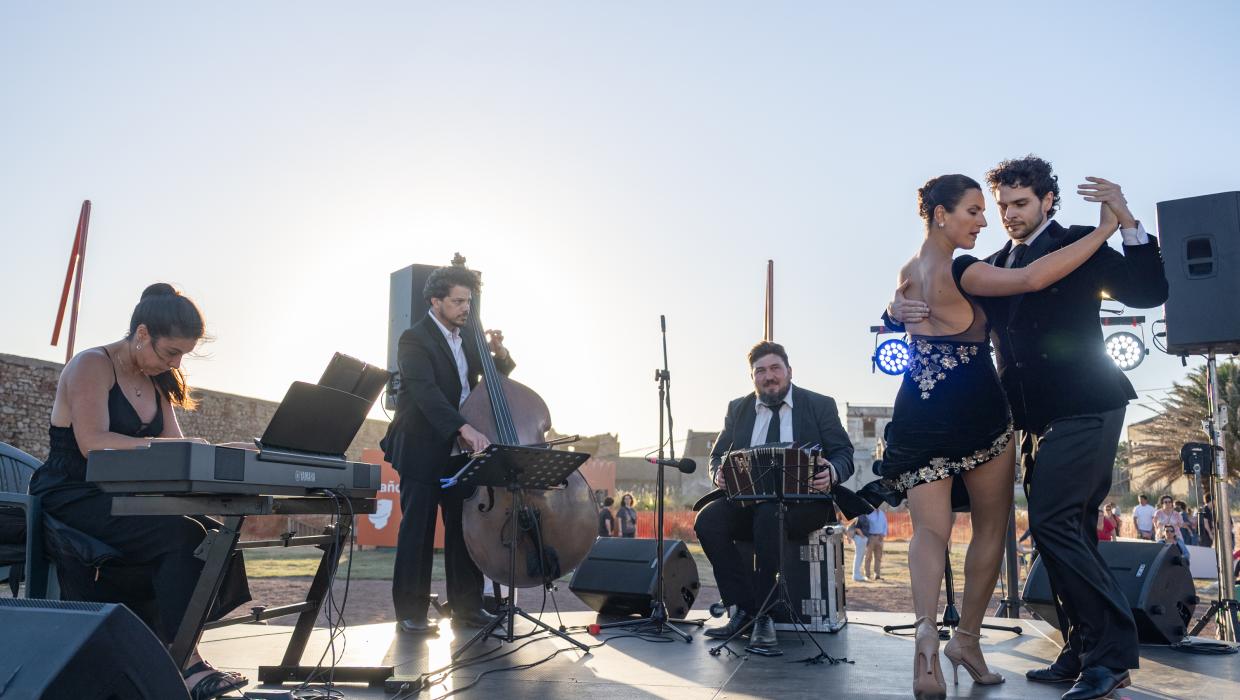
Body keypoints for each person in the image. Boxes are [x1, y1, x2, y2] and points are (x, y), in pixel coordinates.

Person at [888, 156, 1168, 700]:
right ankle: (1081, 647)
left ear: (1047, 202)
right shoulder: (988, 261)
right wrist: (898, 306)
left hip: (1087, 403)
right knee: (1067, 529)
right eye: (1001, 206)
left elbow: (1146, 291)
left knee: (1053, 521)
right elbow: (939, 299)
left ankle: (1110, 659)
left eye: (1020, 204)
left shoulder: (1081, 242)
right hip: (1025, 417)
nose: (1008, 216)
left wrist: (1125, 221)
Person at [27, 283, 251, 699]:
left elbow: (176, 452)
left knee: (216, 533)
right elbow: (92, 442)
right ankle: (186, 664)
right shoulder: (91, 365)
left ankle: (173, 649)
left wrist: (223, 453)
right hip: (74, 494)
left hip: (123, 494)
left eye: (183, 355)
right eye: (170, 353)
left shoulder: (160, 380)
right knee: (180, 535)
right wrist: (181, 448)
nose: (176, 362)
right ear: (143, 333)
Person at [695, 340, 854, 655]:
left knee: (770, 513)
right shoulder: (737, 409)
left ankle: (764, 615)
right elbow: (716, 457)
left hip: (805, 506)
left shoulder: (820, 404)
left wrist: (832, 473)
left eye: (775, 368)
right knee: (708, 520)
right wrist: (718, 474)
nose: (769, 376)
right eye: (760, 371)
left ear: (789, 371)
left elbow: (843, 453)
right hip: (748, 503)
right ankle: (741, 608)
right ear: (752, 377)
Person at [381, 265, 514, 635]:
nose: (465, 308)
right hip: (423, 448)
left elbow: (494, 379)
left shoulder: (468, 338)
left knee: (464, 532)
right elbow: (426, 394)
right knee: (418, 533)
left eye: (468, 301)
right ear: (435, 301)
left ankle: (468, 608)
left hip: (460, 452)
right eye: (457, 301)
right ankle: (411, 614)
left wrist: (498, 354)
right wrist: (463, 427)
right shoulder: (413, 339)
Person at [864, 505, 888, 580]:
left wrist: (883, 534)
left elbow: (885, 525)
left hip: (880, 538)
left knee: (878, 557)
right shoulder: (869, 513)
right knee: (868, 557)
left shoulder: (882, 513)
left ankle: (877, 575)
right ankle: (867, 575)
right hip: (871, 537)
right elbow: (865, 525)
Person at [849, 513, 871, 582]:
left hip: (862, 538)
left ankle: (858, 574)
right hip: (860, 538)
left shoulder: (864, 516)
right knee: (858, 557)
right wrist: (863, 536)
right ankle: (856, 575)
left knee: (860, 557)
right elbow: (857, 528)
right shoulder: (860, 516)